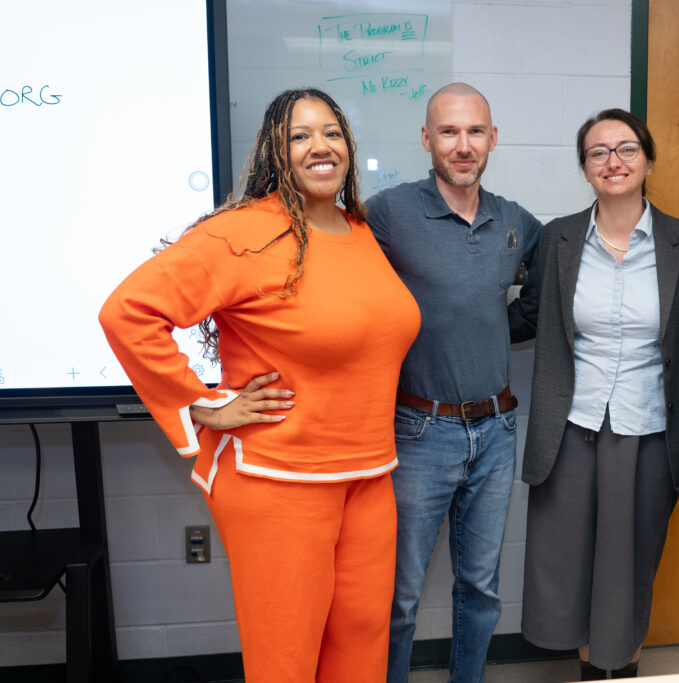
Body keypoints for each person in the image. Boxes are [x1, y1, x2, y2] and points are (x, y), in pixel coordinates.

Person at [99, 88, 420, 682]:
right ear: (275, 151)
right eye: (300, 136)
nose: (320, 146)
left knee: (362, 647)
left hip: (368, 476)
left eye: (331, 132)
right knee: (286, 660)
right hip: (279, 479)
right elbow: (128, 312)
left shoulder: (358, 229)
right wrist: (204, 405)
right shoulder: (245, 232)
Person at [508, 108, 679, 680]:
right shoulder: (559, 239)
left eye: (626, 149)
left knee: (628, 566)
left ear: (648, 161)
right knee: (568, 565)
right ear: (584, 167)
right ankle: (590, 670)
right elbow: (528, 316)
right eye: (598, 152)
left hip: (649, 431)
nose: (613, 161)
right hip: (571, 428)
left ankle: (622, 669)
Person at [364, 82, 543, 683]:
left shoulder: (514, 221)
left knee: (481, 588)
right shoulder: (389, 213)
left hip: (496, 431)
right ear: (426, 139)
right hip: (419, 431)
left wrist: (500, 325)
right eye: (449, 132)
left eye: (474, 132)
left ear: (493, 139)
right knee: (399, 595)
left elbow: (553, 271)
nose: (463, 146)